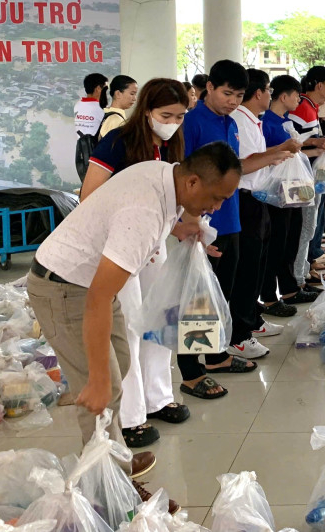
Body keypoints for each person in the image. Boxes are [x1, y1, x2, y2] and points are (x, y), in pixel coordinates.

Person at [28, 141, 242, 512]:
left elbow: (103, 289)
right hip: (64, 288)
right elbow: (97, 297)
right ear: (193, 182)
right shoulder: (142, 213)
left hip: (87, 284)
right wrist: (96, 381)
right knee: (100, 389)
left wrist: (178, 229)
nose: (216, 207)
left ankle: (115, 460)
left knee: (120, 366)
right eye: (216, 197)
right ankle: (109, 493)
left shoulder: (167, 176)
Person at [82, 78, 198, 446]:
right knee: (129, 326)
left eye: (180, 116)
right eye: (166, 115)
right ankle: (130, 416)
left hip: (154, 243)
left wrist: (180, 228)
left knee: (159, 317)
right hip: (120, 247)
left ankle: (158, 396)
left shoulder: (168, 144)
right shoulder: (118, 142)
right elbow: (90, 195)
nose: (173, 122)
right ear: (145, 109)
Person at [181, 60, 276, 371]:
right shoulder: (191, 123)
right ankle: (197, 363)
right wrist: (191, 223)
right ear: (209, 87)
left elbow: (235, 170)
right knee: (200, 295)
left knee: (224, 289)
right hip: (203, 223)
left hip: (230, 218)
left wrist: (272, 156)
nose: (233, 101)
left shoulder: (231, 124)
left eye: (238, 95)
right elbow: (183, 178)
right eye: (227, 94)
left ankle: (216, 354)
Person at [230, 68, 301, 336]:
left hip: (257, 197)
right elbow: (244, 164)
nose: (270, 94)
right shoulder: (240, 121)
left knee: (257, 262)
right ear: (258, 92)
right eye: (268, 89)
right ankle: (242, 329)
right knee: (248, 267)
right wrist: (274, 156)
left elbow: (257, 155)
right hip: (245, 198)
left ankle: (253, 318)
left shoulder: (253, 119)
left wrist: (278, 151)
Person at [261, 75, 323, 310]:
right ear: (283, 96)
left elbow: (293, 156)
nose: (298, 99)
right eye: (296, 95)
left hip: (292, 189)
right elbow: (263, 156)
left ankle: (289, 289)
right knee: (276, 244)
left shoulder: (285, 121)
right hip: (276, 192)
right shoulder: (266, 122)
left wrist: (316, 147)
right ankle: (269, 296)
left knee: (292, 239)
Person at [290, 67, 325, 291]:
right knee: (304, 228)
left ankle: (303, 271)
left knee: (309, 227)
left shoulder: (312, 108)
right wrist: (316, 143)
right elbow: (295, 144)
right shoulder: (301, 107)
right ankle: (297, 279)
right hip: (301, 178)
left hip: (310, 175)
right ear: (319, 85)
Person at [74, 72, 108, 181]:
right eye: (105, 89)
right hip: (98, 158)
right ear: (98, 88)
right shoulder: (100, 110)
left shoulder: (78, 105)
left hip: (81, 154)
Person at [98, 75, 139, 140]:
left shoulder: (111, 115)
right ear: (118, 94)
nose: (135, 99)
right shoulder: (115, 120)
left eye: (135, 94)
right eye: (132, 94)